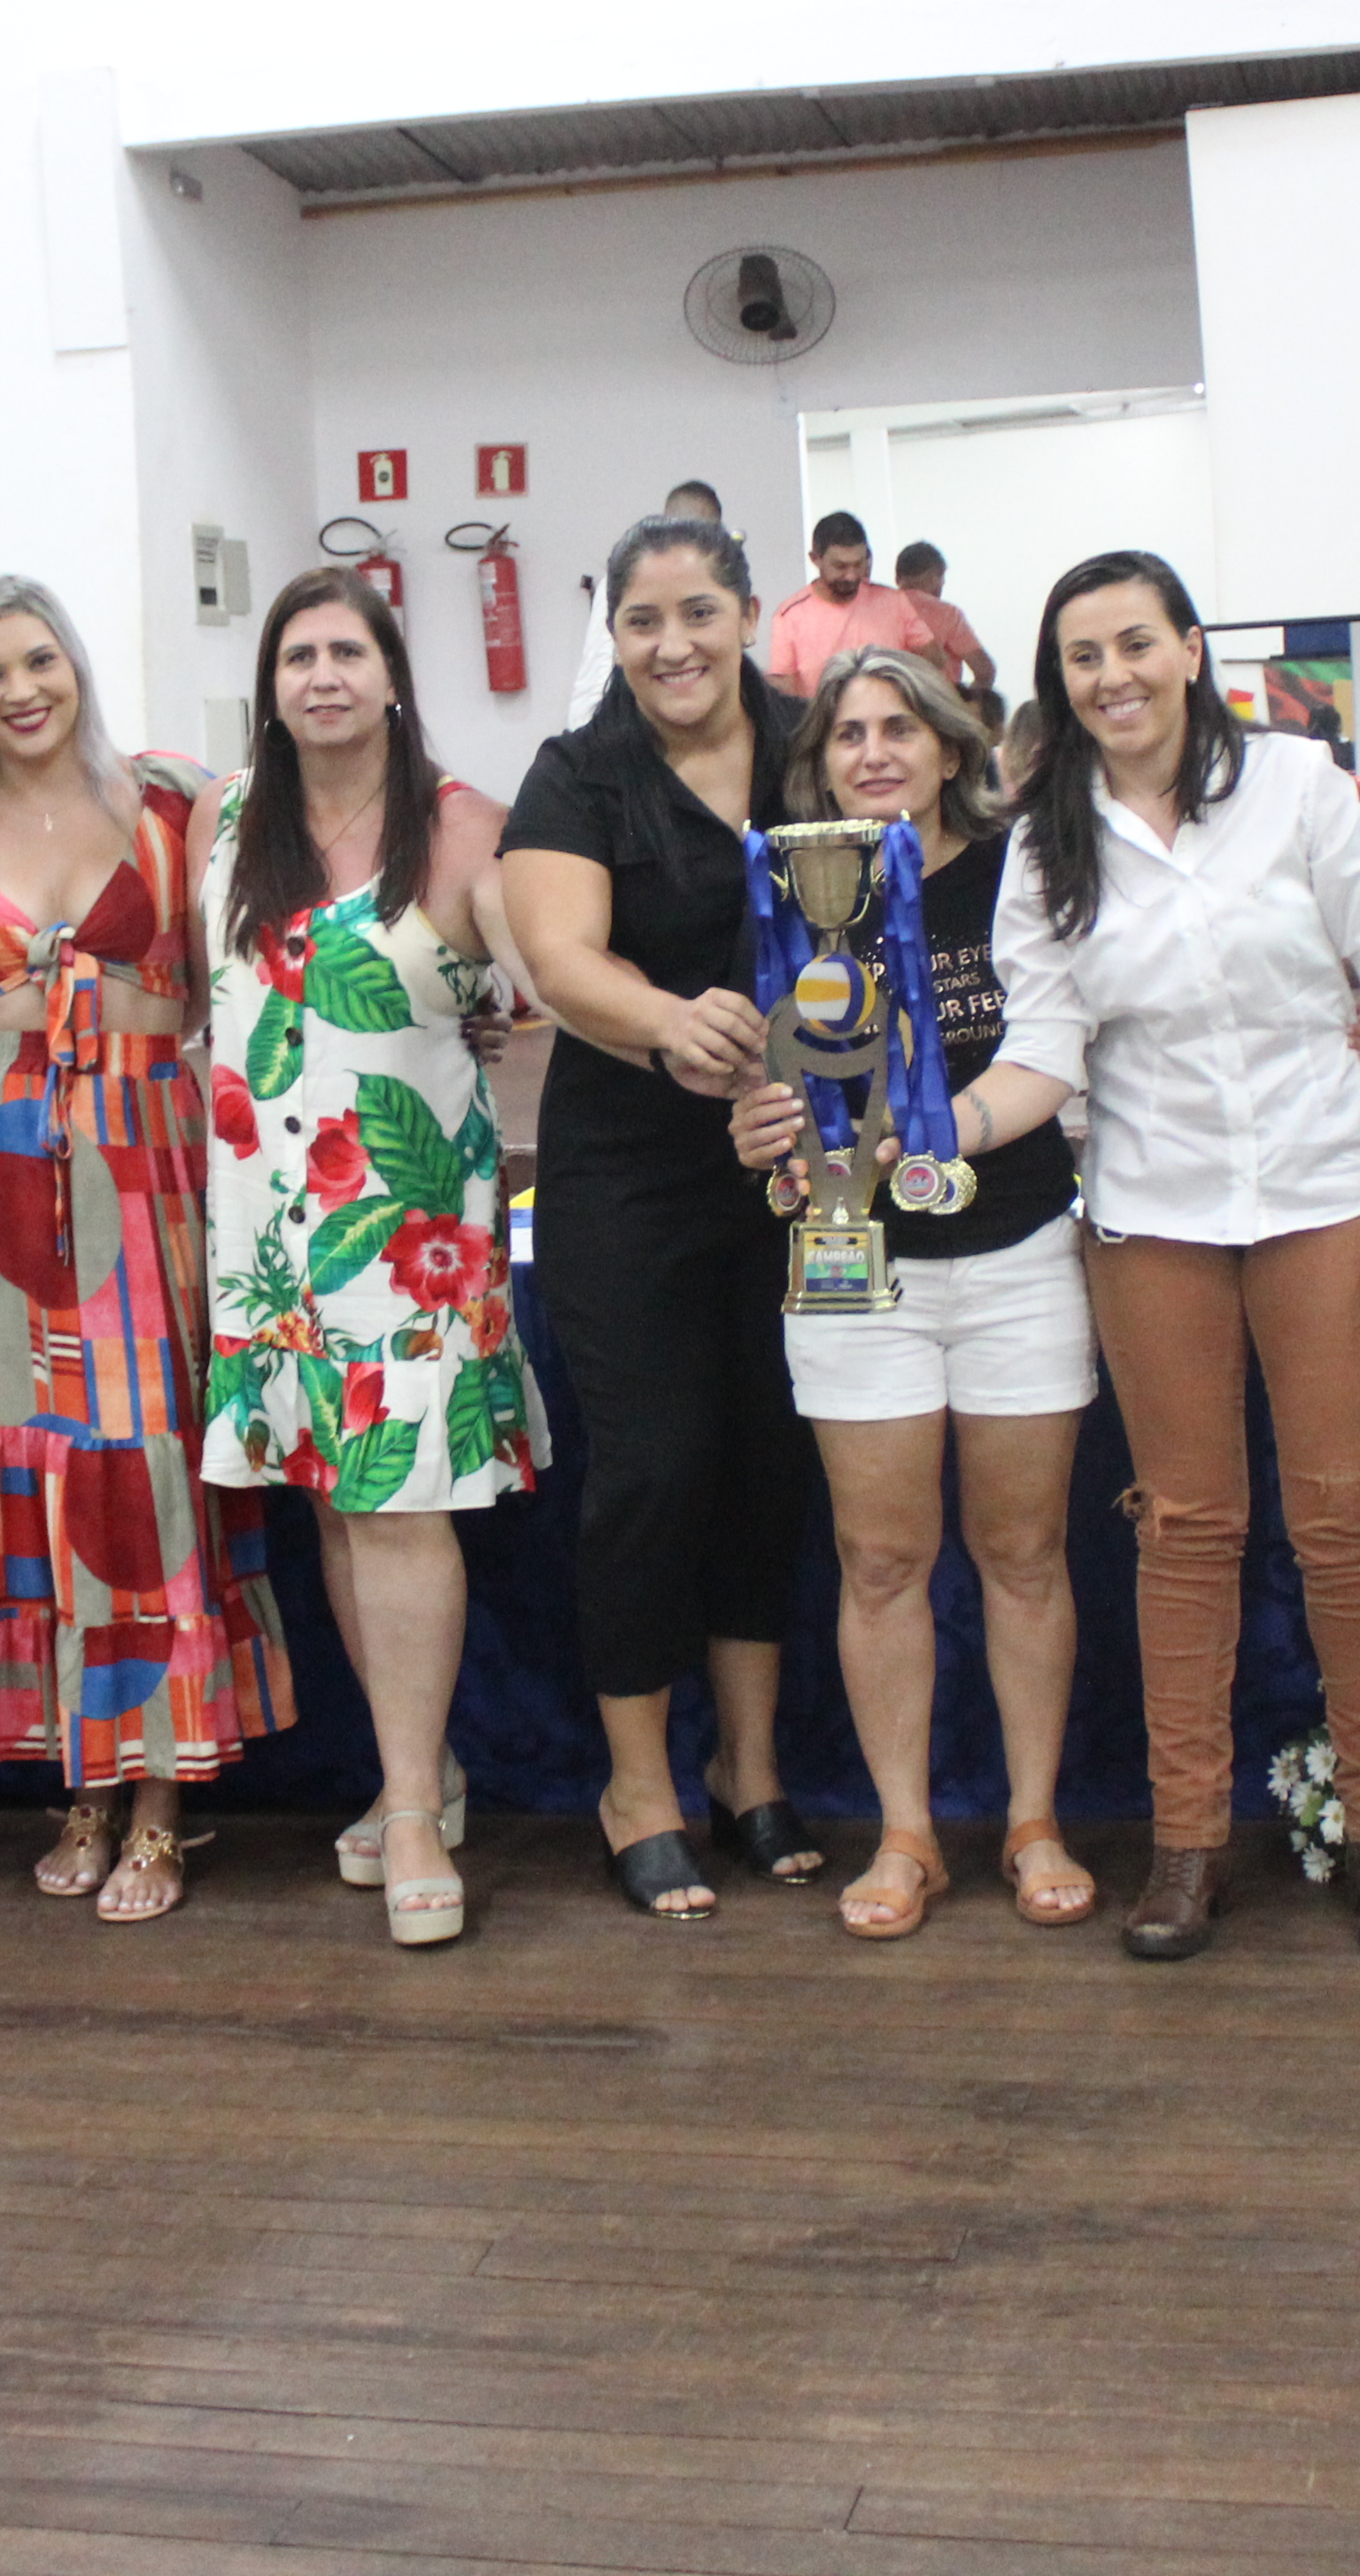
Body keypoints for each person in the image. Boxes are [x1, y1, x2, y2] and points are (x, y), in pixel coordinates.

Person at [943, 554, 1360, 1961]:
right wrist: (931, 1132)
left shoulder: (1297, 787)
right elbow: (1042, 1055)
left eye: (1134, 644)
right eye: (1082, 658)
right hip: (1152, 1214)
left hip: (1325, 1195)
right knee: (1185, 1532)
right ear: (1059, 683)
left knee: (1348, 1523)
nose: (1112, 677)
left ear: (1188, 648)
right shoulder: (1048, 842)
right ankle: (1186, 1849)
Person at [0, 576, 294, 1922]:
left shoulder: (176, 800)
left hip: (141, 1148)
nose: (19, 690)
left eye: (40, 660)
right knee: (24, 1465)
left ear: (76, 665)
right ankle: (78, 1776)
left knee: (139, 1463)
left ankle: (160, 1799)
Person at [722, 647, 1096, 1940]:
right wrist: (761, 1124)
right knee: (881, 1561)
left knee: (1024, 1554)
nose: (873, 751)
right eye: (846, 735)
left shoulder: (1027, 873)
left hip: (1018, 1252)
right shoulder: (789, 893)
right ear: (817, 763)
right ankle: (908, 1835)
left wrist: (930, 1136)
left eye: (899, 729)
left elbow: (1055, 1050)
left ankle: (1033, 1819)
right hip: (850, 1274)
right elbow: (769, 1076)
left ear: (950, 748)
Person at [199, 568, 545, 1947]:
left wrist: (501, 1034)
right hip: (271, 1240)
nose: (323, 675)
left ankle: (406, 1808)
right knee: (340, 1507)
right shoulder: (225, 831)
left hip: (413, 1238)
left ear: (393, 676)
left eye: (348, 650)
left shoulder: (464, 831)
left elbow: (546, 991)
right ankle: (427, 1775)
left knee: (400, 1507)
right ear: (270, 689)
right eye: (299, 656)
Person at [501, 515, 828, 1921]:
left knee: (768, 1459)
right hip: (625, 1174)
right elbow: (562, 959)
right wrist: (667, 1024)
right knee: (652, 1469)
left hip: (802, 1169)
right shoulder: (579, 774)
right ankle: (639, 1783)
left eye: (699, 612)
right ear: (614, 635)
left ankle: (750, 1774)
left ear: (748, 615)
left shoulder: (819, 742)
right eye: (643, 621)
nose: (674, 645)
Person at [766, 512, 941, 697]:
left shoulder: (893, 601)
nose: (851, 576)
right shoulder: (790, 615)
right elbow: (782, 690)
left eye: (858, 565)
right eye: (840, 566)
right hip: (824, 723)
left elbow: (934, 660)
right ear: (815, 559)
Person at [893, 541, 1000, 716]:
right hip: (937, 713)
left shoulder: (877, 611)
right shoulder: (948, 614)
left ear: (898, 578)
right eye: (942, 578)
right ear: (933, 576)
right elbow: (985, 670)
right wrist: (961, 709)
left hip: (891, 711)